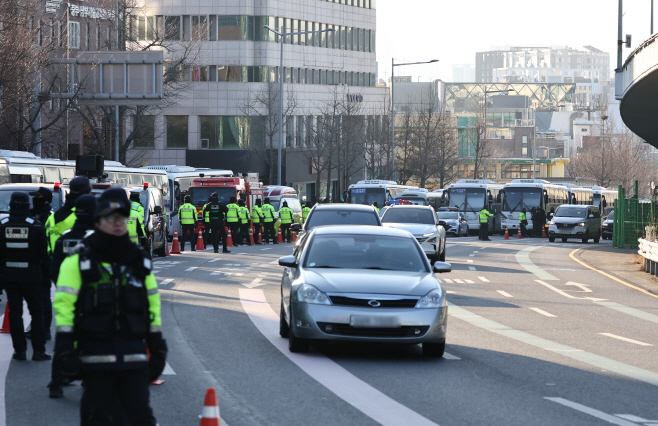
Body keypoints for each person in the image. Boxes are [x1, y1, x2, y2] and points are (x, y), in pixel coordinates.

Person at [53, 188, 167, 425]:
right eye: (110, 217)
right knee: (98, 417)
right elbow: (65, 307)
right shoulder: (79, 260)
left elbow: (151, 305)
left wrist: (157, 347)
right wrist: (65, 347)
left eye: (121, 218)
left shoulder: (139, 260)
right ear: (98, 221)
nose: (118, 223)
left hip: (133, 354)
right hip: (95, 356)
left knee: (141, 418)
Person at [48, 194, 96, 398]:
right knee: (92, 341)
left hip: (67, 297)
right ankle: (87, 380)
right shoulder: (97, 238)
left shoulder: (65, 237)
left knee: (64, 340)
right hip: (93, 300)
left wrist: (62, 285)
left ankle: (57, 383)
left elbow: (54, 266)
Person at [0, 192, 51, 361]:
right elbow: (44, 256)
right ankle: (38, 351)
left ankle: (19, 351)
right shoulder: (36, 226)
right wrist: (47, 278)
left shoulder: (2, 225)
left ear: (11, 205)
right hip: (32, 276)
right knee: (37, 312)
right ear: (27, 205)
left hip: (9, 276)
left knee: (15, 312)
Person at [45, 176, 91, 254]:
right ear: (89, 193)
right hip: (75, 263)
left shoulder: (52, 216)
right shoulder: (84, 217)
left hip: (53, 262)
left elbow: (46, 242)